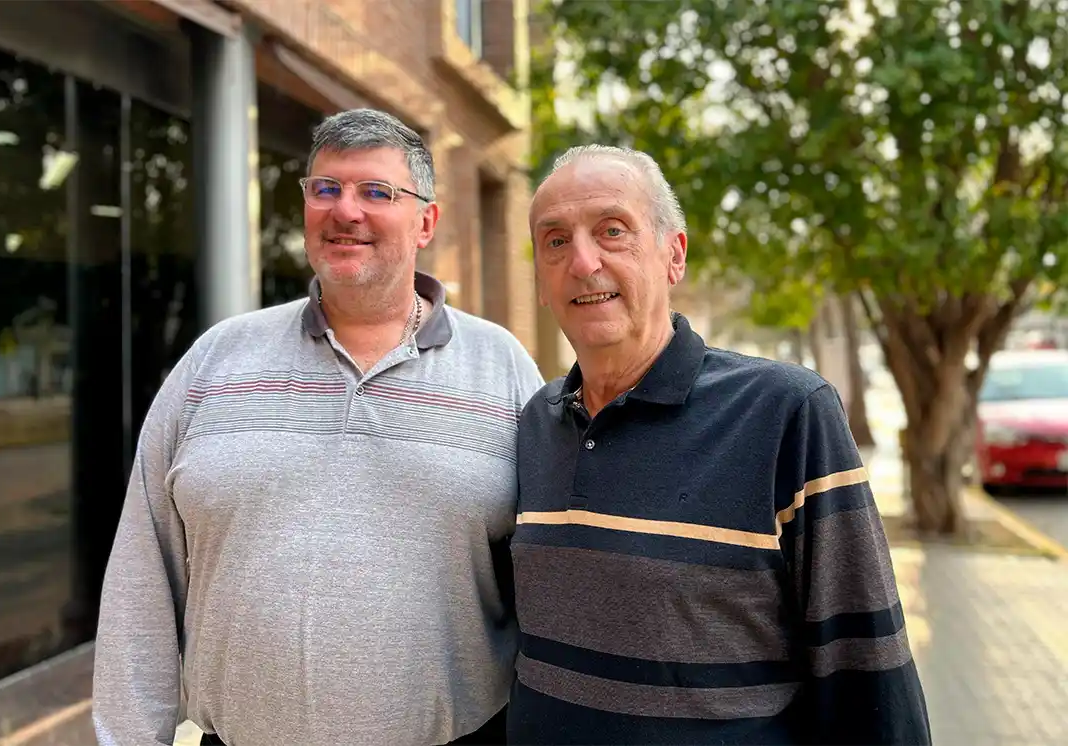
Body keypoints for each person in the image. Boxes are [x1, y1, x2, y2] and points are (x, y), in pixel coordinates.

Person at [92, 108, 545, 746]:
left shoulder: (502, 369)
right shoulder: (215, 361)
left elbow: (548, 580)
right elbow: (144, 572)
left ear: (426, 222)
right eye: (325, 189)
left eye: (375, 192)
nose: (345, 211)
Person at [508, 144, 931, 745]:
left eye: (612, 231)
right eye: (555, 241)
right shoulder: (536, 424)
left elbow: (865, 668)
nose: (582, 261)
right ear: (540, 281)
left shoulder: (786, 411)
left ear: (673, 255)